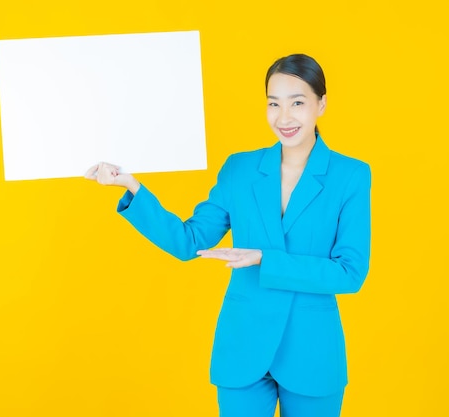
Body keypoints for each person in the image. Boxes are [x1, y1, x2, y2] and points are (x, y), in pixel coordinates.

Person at [85, 53, 371, 417]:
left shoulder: (351, 175)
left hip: (311, 353)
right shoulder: (240, 169)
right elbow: (190, 241)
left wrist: (266, 259)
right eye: (273, 104)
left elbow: (350, 273)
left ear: (321, 104)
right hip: (243, 349)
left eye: (297, 103)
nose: (284, 117)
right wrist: (133, 188)